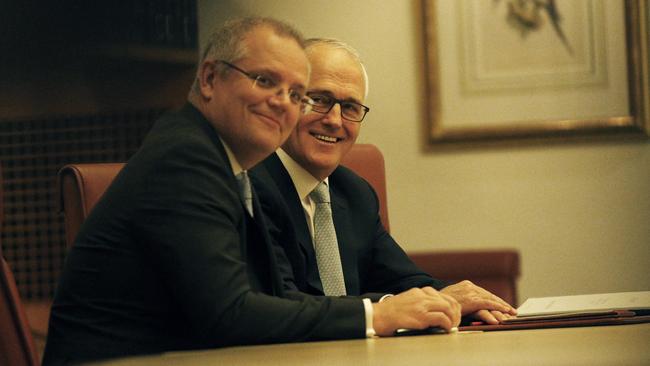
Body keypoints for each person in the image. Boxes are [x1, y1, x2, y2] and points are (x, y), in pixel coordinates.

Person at [43, 18, 461, 365]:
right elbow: (231, 314)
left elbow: (275, 299)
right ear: (209, 78)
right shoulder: (187, 158)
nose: (283, 103)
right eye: (265, 81)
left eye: (296, 94)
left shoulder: (226, 161)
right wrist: (377, 313)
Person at [250, 38, 516, 325]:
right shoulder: (252, 184)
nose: (335, 120)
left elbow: (403, 278)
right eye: (320, 100)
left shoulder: (354, 192)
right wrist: (387, 307)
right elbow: (285, 302)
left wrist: (455, 298)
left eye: (350, 107)